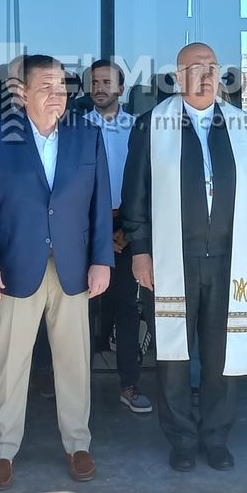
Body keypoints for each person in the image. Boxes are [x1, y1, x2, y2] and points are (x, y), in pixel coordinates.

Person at [0, 54, 113, 491]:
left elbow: (99, 203)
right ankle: (3, 449)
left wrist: (102, 258)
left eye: (62, 88)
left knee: (74, 360)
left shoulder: (86, 135)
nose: (58, 95)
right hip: (14, 266)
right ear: (24, 93)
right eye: (46, 87)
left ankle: (78, 443)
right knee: (10, 361)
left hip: (72, 266)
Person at [123, 42, 247, 473]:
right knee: (173, 356)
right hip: (173, 259)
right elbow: (136, 193)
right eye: (194, 68)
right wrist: (140, 251)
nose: (205, 75)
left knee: (224, 353)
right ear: (178, 75)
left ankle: (216, 437)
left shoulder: (241, 124)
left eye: (211, 68)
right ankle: (182, 438)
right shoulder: (153, 124)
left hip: (229, 257)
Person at [84, 59, 153, 414]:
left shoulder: (139, 128)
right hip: (83, 229)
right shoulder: (75, 127)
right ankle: (75, 391)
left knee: (126, 309)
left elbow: (147, 182)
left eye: (107, 81)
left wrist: (127, 228)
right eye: (94, 81)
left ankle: (129, 384)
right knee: (81, 312)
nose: (99, 87)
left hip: (127, 227)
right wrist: (95, 232)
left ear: (120, 89)